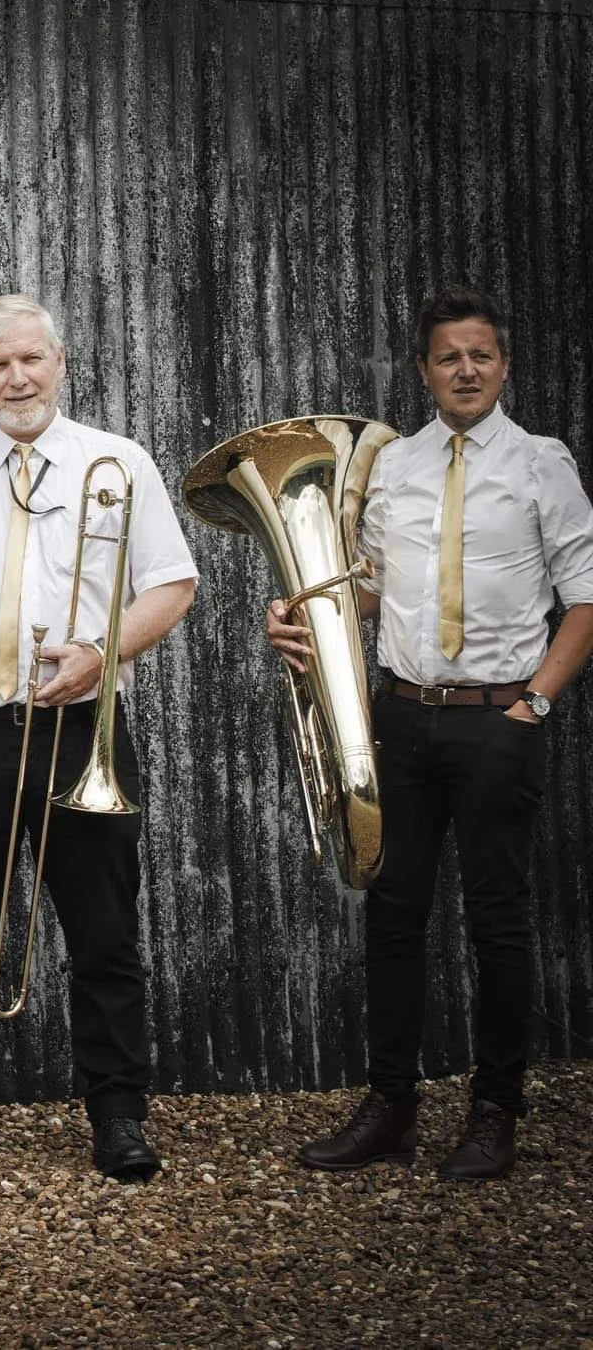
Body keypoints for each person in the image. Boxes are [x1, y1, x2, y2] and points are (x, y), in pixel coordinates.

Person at [0, 293, 197, 1182]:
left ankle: (118, 1115)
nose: (17, 378)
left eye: (31, 360)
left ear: (60, 364)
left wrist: (100, 654)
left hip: (83, 729)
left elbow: (172, 583)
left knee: (103, 933)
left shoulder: (119, 462)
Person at [273, 286, 593, 1180]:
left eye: (481, 355)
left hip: (499, 719)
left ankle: (495, 1112)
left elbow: (587, 596)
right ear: (424, 370)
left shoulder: (541, 464)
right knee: (392, 914)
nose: (466, 369)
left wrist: (535, 704)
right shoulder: (394, 465)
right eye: (449, 356)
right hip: (402, 716)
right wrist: (302, 613)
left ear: (504, 366)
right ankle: (391, 1106)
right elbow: (371, 586)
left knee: (499, 922)